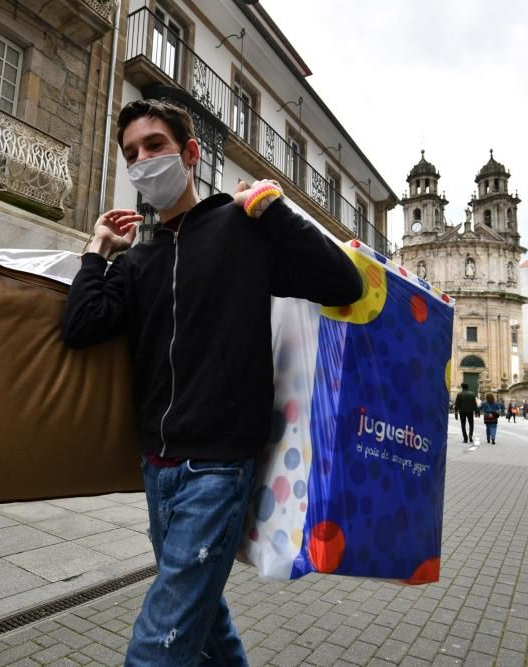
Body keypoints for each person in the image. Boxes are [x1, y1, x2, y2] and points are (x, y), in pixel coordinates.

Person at [60, 99, 362, 665]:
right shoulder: (138, 262)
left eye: (154, 146)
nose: (142, 161)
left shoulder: (240, 228)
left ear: (191, 154)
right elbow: (80, 327)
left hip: (219, 466)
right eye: (131, 154)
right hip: (158, 466)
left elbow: (342, 282)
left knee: (160, 641)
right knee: (204, 619)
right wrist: (98, 249)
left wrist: (273, 210)